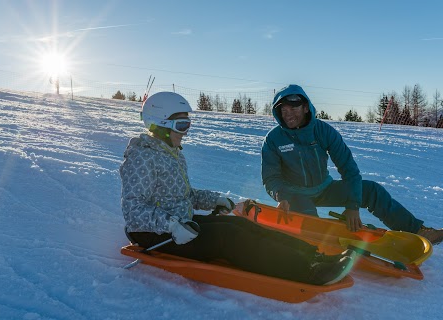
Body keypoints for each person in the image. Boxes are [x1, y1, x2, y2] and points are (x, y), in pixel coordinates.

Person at [120, 91, 355, 286]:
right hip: (156, 234)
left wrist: (216, 200)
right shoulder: (142, 157)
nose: (186, 130)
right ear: (159, 125)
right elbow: (133, 210)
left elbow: (185, 195)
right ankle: (308, 272)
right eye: (181, 125)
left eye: (188, 123)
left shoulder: (172, 154)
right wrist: (171, 225)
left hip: (181, 223)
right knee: (228, 237)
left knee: (240, 224)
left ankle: (315, 255)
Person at [261, 84, 443, 244]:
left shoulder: (324, 131)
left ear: (306, 107)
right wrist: (281, 195)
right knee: (311, 228)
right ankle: (320, 245)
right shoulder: (274, 139)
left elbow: (349, 170)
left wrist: (352, 206)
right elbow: (271, 177)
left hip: (324, 188)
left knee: (372, 191)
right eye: (283, 111)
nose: (288, 115)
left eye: (293, 109)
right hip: (294, 195)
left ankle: (417, 231)